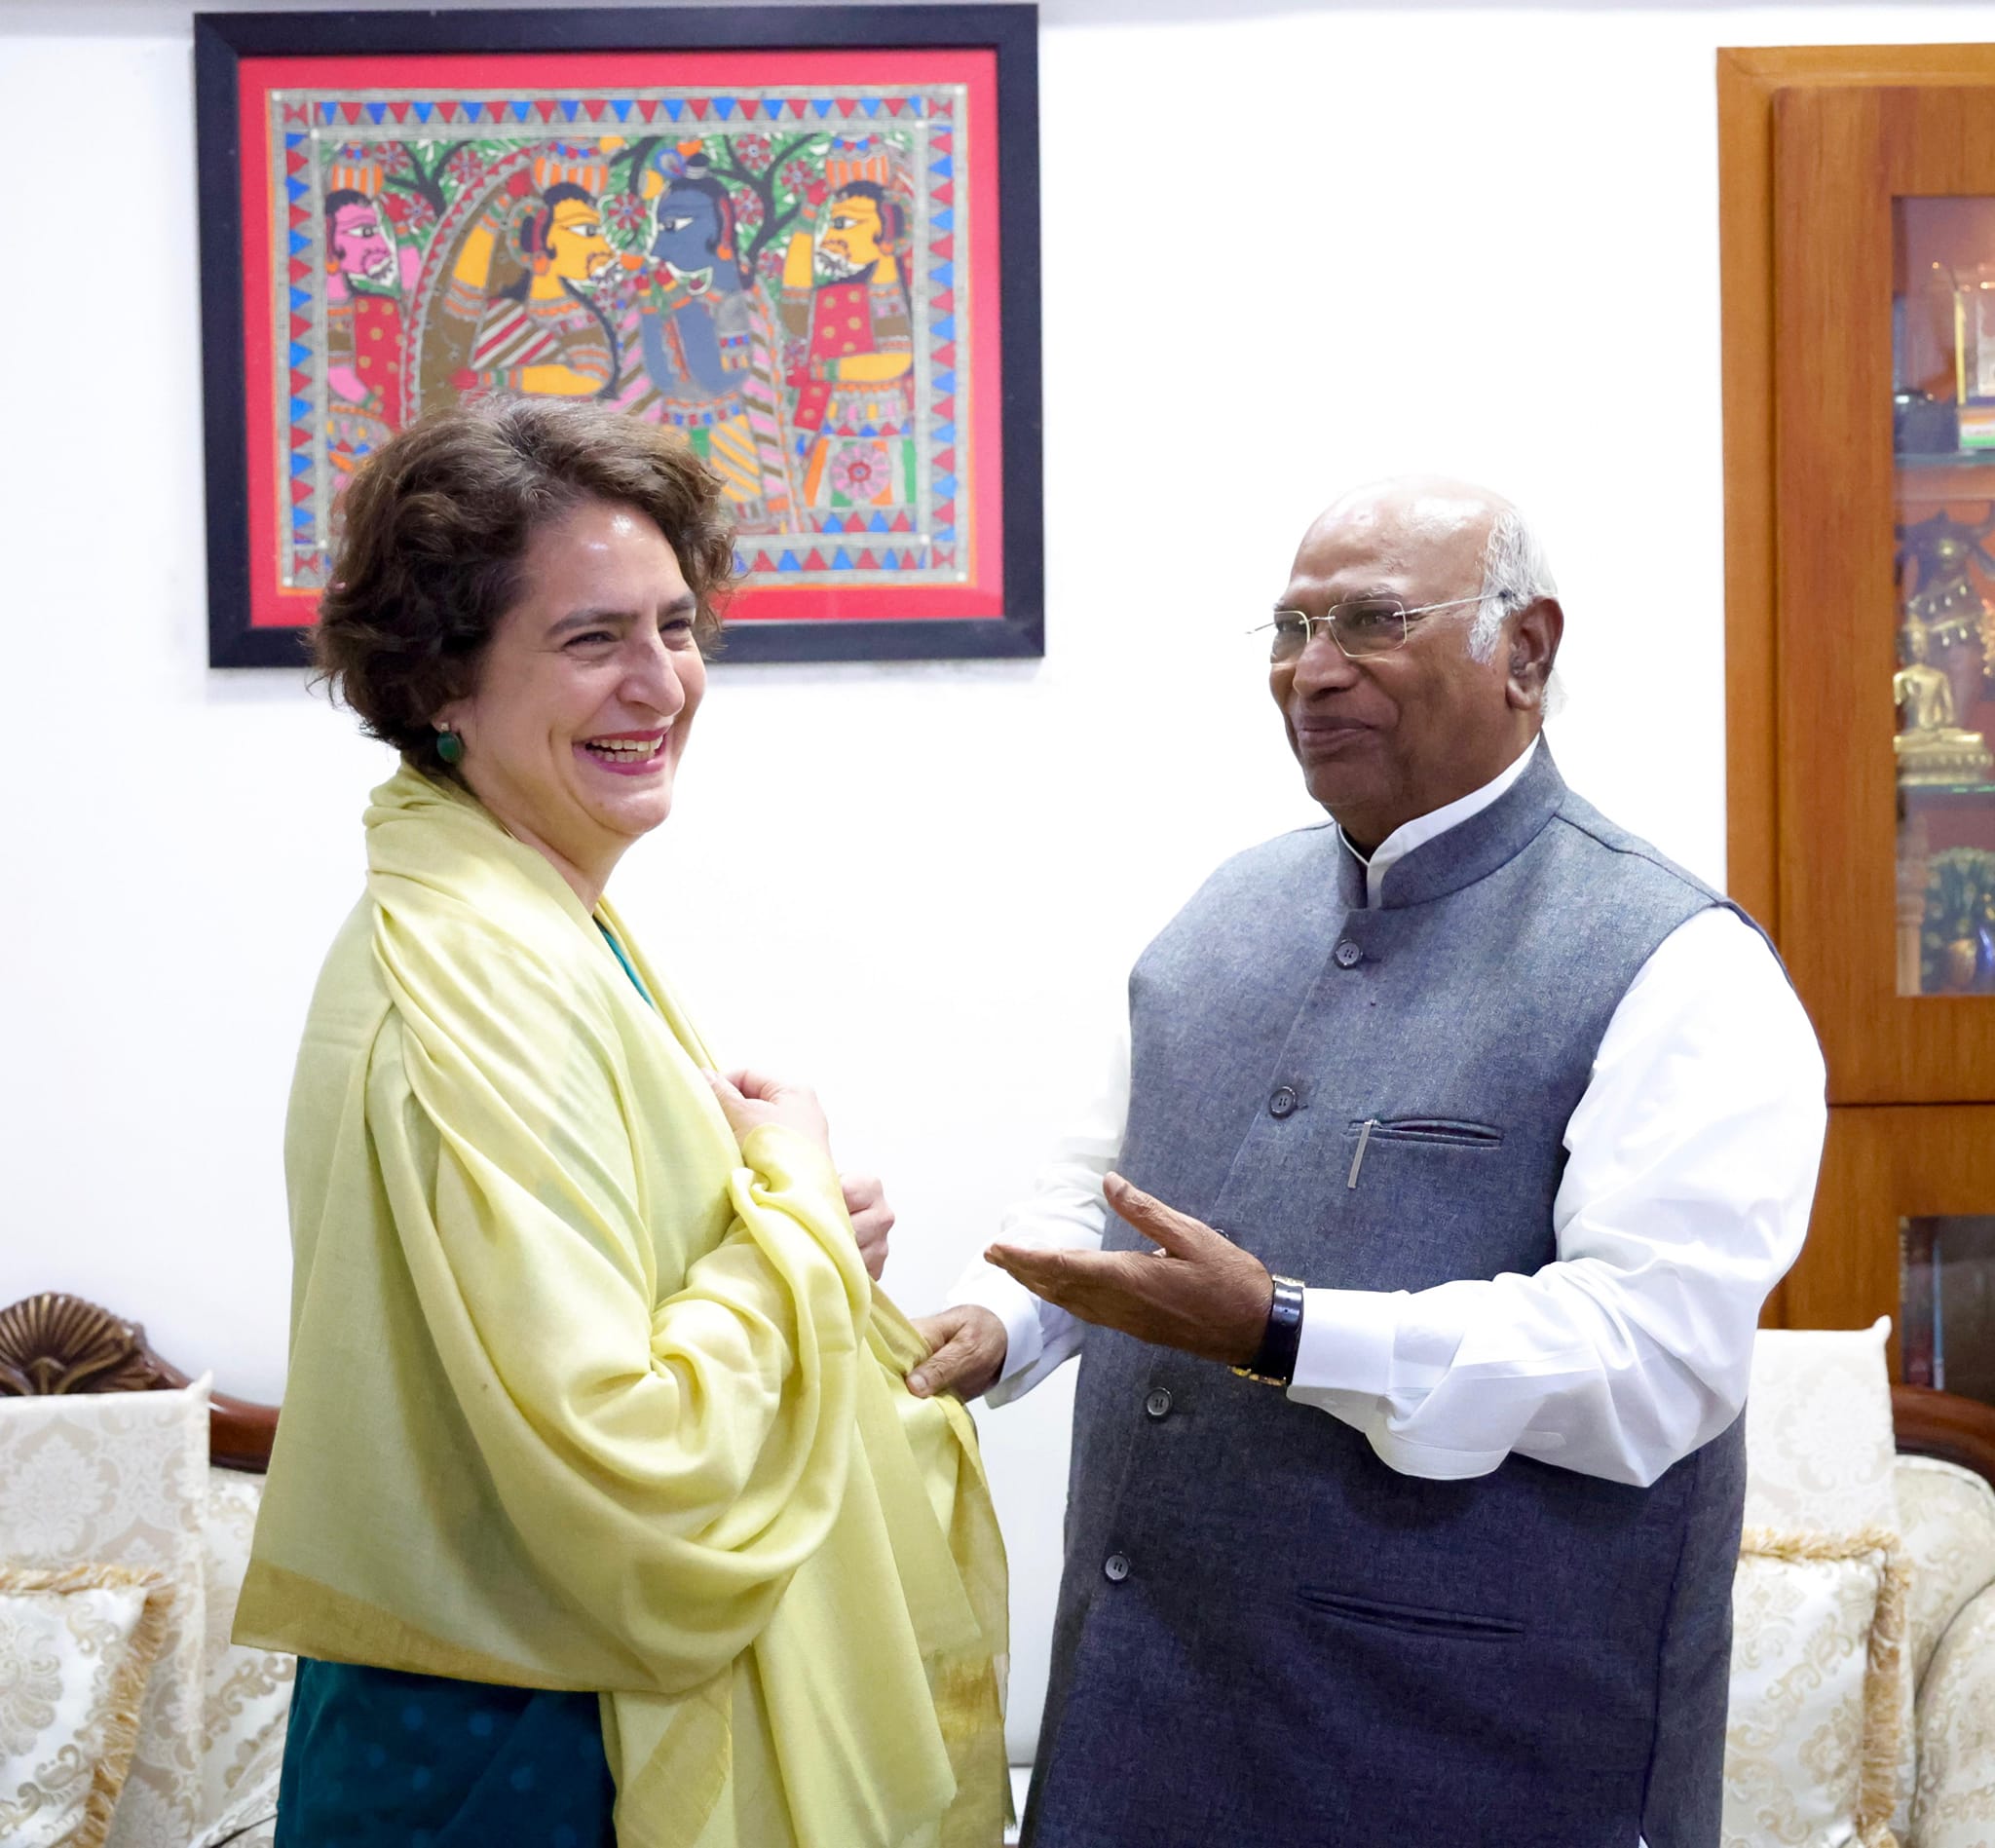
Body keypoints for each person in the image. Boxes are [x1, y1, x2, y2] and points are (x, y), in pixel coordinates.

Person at [913, 478, 1826, 1848]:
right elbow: (1108, 1188)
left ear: (1527, 650)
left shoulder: (1679, 961)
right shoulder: (1222, 914)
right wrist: (1005, 1324)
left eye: (1372, 620)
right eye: (1288, 627)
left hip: (1467, 1763)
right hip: (1144, 1740)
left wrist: (1285, 1331)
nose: (1313, 670)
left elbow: (1651, 1361)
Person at [236, 396, 1006, 1848]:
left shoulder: (519, 908)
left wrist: (793, 1228)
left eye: (676, 625)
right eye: (592, 639)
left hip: (522, 1686)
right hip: (521, 1736)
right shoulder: (478, 972)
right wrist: (788, 1208)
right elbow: (623, 1449)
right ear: (440, 682)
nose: (661, 683)